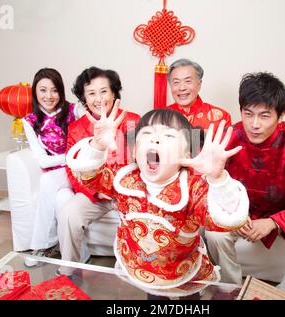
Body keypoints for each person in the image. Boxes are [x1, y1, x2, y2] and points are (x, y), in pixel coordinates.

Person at [66, 106, 249, 298]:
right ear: (136, 150)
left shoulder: (193, 188)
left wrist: (218, 180)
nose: (155, 139)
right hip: (142, 269)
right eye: (146, 133)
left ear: (187, 155)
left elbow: (226, 220)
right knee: (154, 297)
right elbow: (89, 176)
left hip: (183, 272)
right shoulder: (125, 179)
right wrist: (97, 145)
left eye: (169, 136)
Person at [205, 72, 285, 300]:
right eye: (248, 114)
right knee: (214, 234)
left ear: (281, 115)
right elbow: (207, 186)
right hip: (238, 215)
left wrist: (275, 222)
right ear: (241, 112)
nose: (254, 125)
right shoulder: (228, 138)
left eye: (265, 116)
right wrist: (233, 214)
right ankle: (230, 290)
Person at [56, 67, 140, 271]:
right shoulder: (76, 128)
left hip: (128, 193)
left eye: (104, 91)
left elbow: (143, 163)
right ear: (84, 97)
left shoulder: (133, 121)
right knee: (68, 213)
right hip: (93, 194)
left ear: (114, 93)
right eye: (91, 93)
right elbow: (72, 170)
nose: (99, 98)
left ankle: (137, 270)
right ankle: (68, 271)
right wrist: (95, 192)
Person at [22, 68, 78, 266]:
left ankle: (41, 245)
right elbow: (42, 161)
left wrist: (70, 160)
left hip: (78, 171)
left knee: (46, 180)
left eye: (54, 90)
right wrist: (69, 157)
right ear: (35, 92)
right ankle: (77, 253)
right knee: (64, 198)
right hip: (58, 174)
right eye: (43, 90)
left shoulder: (73, 111)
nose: (49, 96)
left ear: (61, 91)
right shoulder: (30, 121)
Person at [167, 58, 232, 131]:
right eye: (176, 82)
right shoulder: (160, 117)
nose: (182, 88)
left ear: (199, 84)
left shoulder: (221, 117)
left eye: (188, 81)